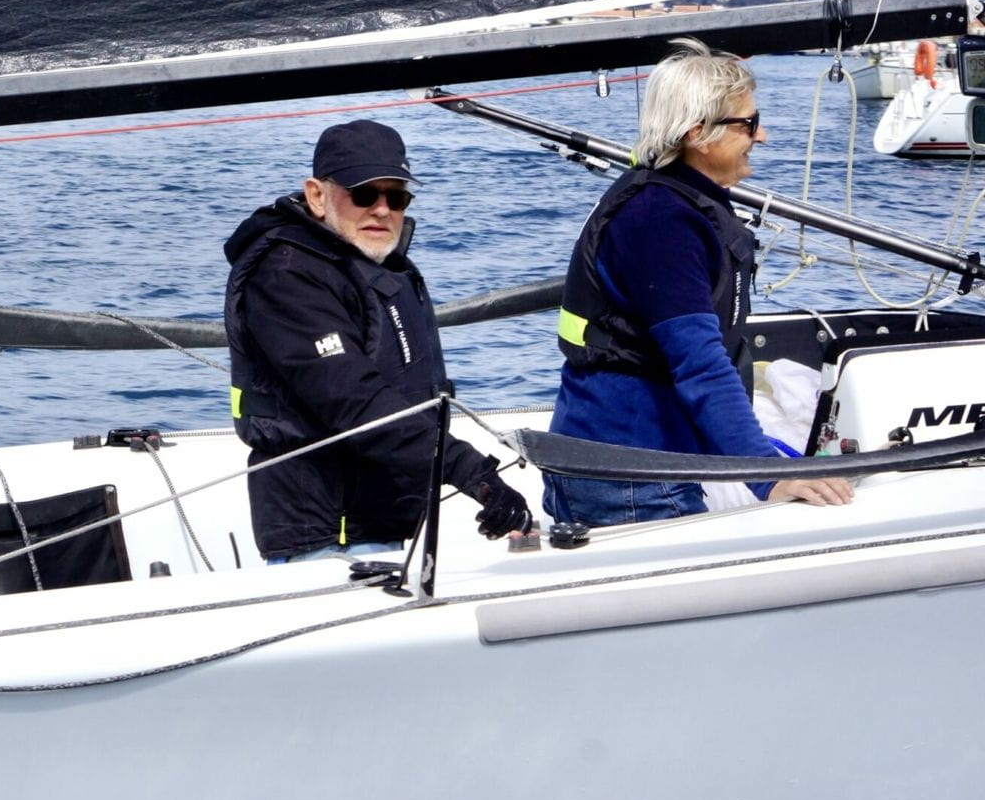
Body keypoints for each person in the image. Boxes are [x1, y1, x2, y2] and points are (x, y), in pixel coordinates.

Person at [546, 38, 854, 525]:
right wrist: (767, 474)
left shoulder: (665, 203)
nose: (762, 135)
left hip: (620, 458)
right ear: (698, 132)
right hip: (632, 474)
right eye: (748, 123)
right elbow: (699, 363)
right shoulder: (661, 222)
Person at [225, 120, 532, 562]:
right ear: (316, 195)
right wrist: (470, 471)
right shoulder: (286, 274)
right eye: (364, 194)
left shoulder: (373, 265)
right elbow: (352, 399)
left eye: (397, 197)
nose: (382, 210)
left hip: (381, 519)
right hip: (328, 533)